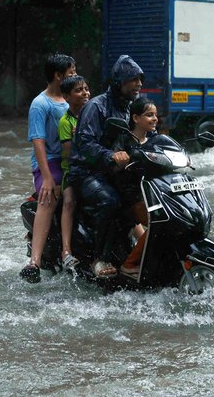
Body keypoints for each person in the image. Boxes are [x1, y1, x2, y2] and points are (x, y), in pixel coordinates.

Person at [67, 55, 146, 279]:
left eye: (140, 79)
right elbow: (85, 144)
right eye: (133, 79)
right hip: (87, 172)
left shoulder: (132, 108)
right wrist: (111, 155)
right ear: (119, 81)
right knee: (111, 201)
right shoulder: (96, 107)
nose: (139, 84)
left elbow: (146, 133)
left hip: (119, 172)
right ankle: (99, 259)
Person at [20, 53, 76, 283]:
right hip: (50, 161)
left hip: (72, 160)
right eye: (71, 73)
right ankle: (34, 261)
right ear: (57, 75)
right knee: (48, 197)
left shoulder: (74, 99)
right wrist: (46, 177)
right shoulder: (40, 103)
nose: (75, 76)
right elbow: (38, 142)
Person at [112, 97, 158, 276]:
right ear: (136, 118)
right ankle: (130, 264)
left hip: (154, 194)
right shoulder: (124, 139)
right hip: (132, 197)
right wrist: (120, 159)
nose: (154, 119)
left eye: (155, 115)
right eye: (149, 115)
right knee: (157, 224)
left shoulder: (156, 139)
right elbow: (114, 165)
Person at [57, 75, 90, 273]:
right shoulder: (65, 122)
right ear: (67, 97)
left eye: (86, 89)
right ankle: (66, 251)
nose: (85, 93)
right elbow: (69, 154)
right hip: (73, 171)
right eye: (79, 90)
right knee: (69, 201)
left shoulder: (94, 113)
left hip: (96, 168)